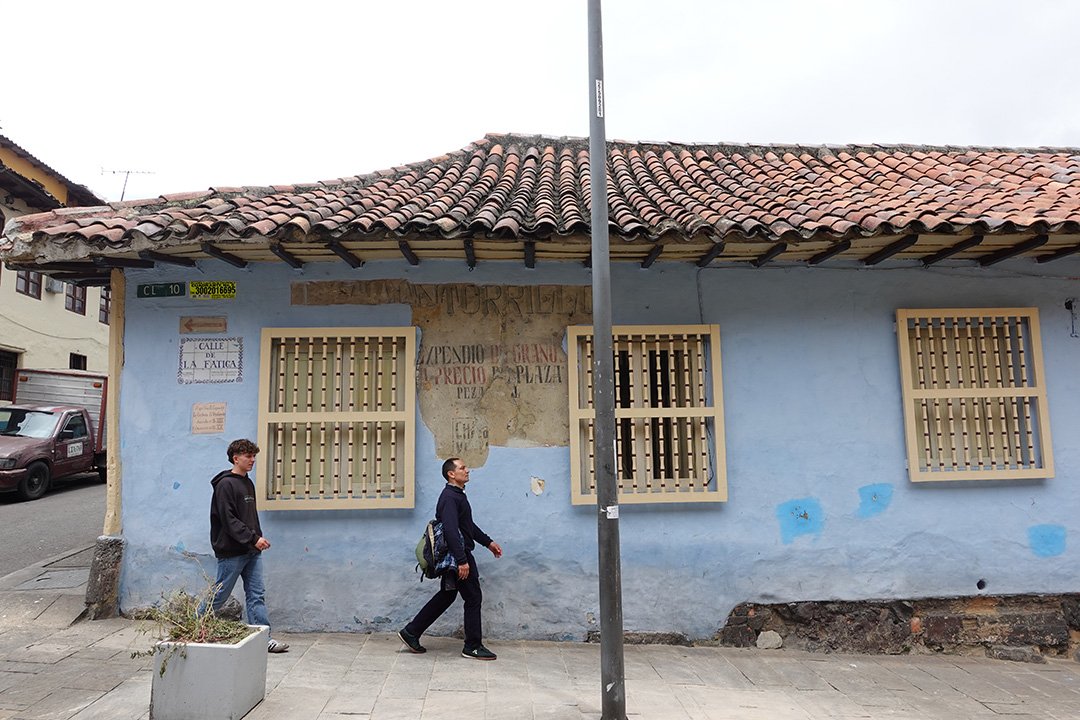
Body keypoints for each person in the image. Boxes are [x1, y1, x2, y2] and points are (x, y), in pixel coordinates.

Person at [399, 457, 503, 660]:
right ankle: (472, 646)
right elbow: (451, 530)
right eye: (463, 468)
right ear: (451, 474)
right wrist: (462, 560)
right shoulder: (449, 497)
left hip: (457, 555)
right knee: (473, 597)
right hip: (457, 557)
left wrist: (488, 542)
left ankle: (411, 632)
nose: (467, 470)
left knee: (447, 596)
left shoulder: (457, 496)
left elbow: (467, 526)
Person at [208, 438, 289, 653]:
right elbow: (229, 520)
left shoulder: (247, 483)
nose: (252, 460)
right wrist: (253, 538)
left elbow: (249, 517)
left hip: (251, 550)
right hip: (232, 552)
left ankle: (263, 639)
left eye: (254, 456)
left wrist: (255, 539)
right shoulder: (225, 485)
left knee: (256, 595)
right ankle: (195, 625)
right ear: (236, 458)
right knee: (220, 595)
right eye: (248, 456)